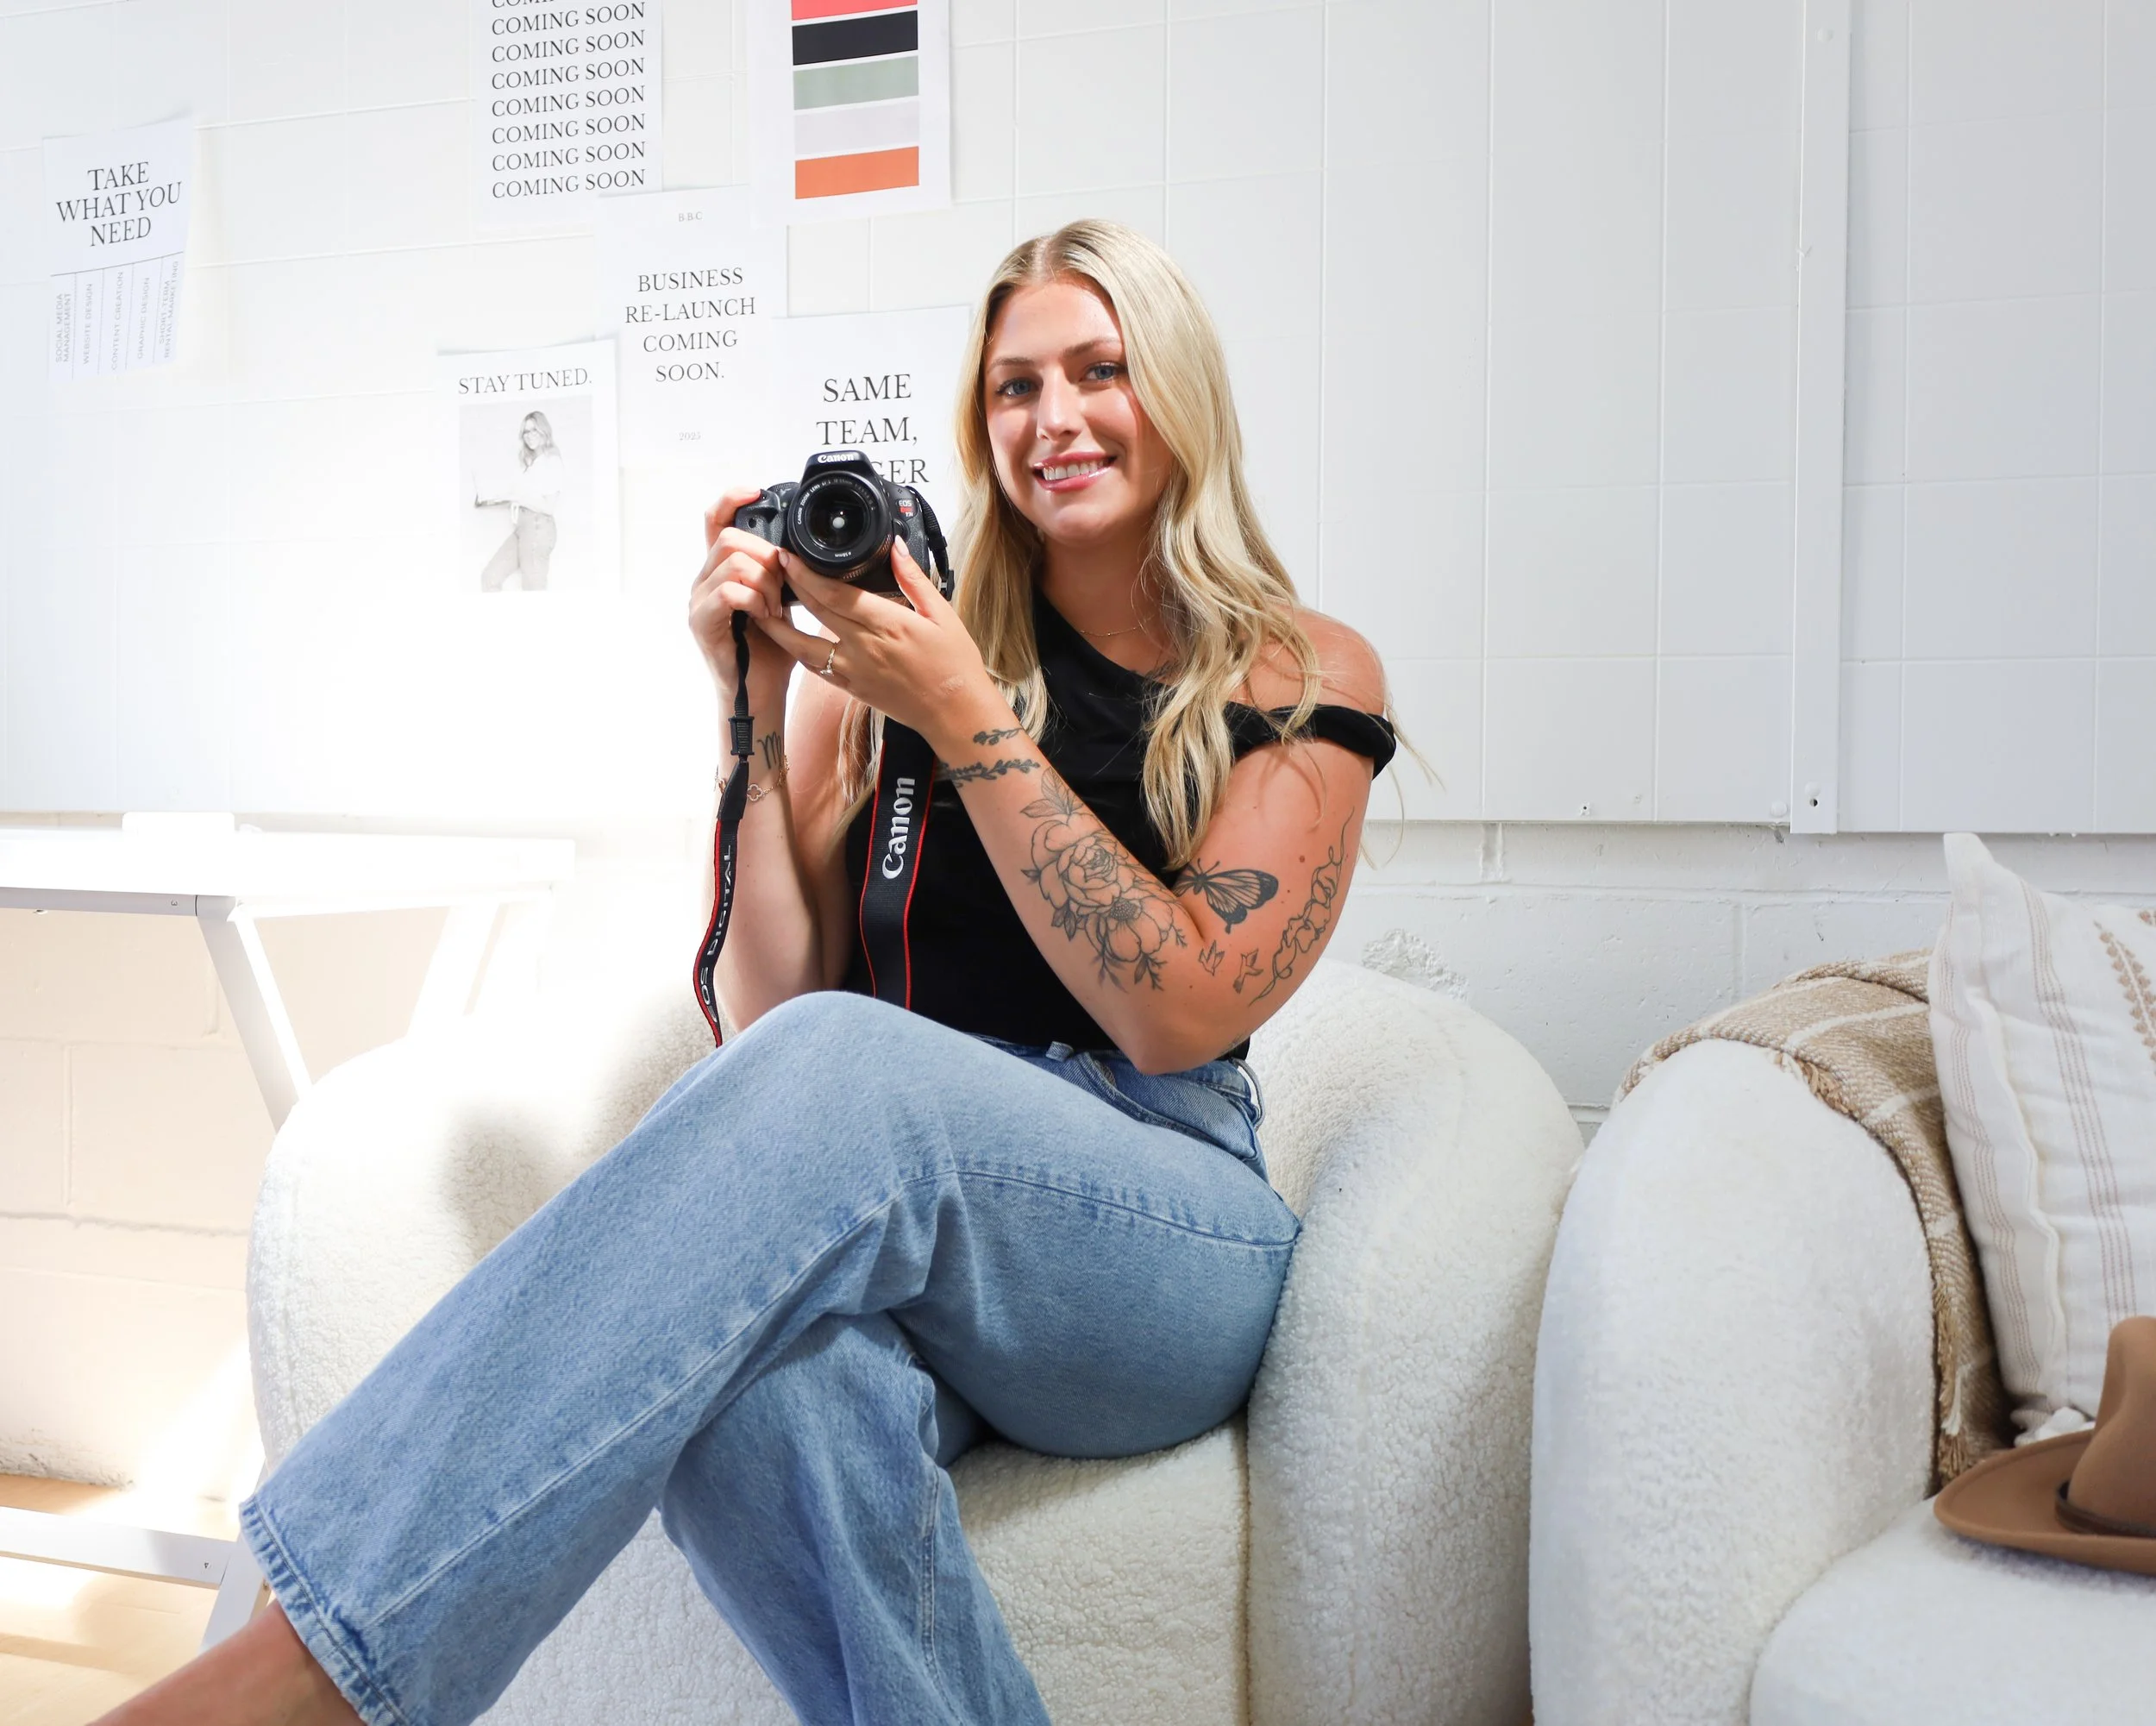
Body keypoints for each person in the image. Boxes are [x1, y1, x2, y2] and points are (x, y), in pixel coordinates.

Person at [102, 220, 1396, 1726]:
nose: (1055, 421)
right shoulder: (903, 665)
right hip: (919, 1234)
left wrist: (968, 713)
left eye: (1100, 372)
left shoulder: (1294, 671)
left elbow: (1178, 1010)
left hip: (1162, 1238)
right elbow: (776, 1030)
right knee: (760, 1399)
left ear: (1178, 395)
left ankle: (305, 1666)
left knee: (854, 1070)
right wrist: (755, 708)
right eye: (1013, 387)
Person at [476, 409, 564, 592]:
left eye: (534, 430)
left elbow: (548, 507)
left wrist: (517, 497)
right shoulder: (530, 463)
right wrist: (488, 499)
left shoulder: (552, 461)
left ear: (543, 430)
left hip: (539, 528)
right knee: (490, 578)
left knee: (533, 590)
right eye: (526, 432)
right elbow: (517, 497)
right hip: (523, 528)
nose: (529, 436)